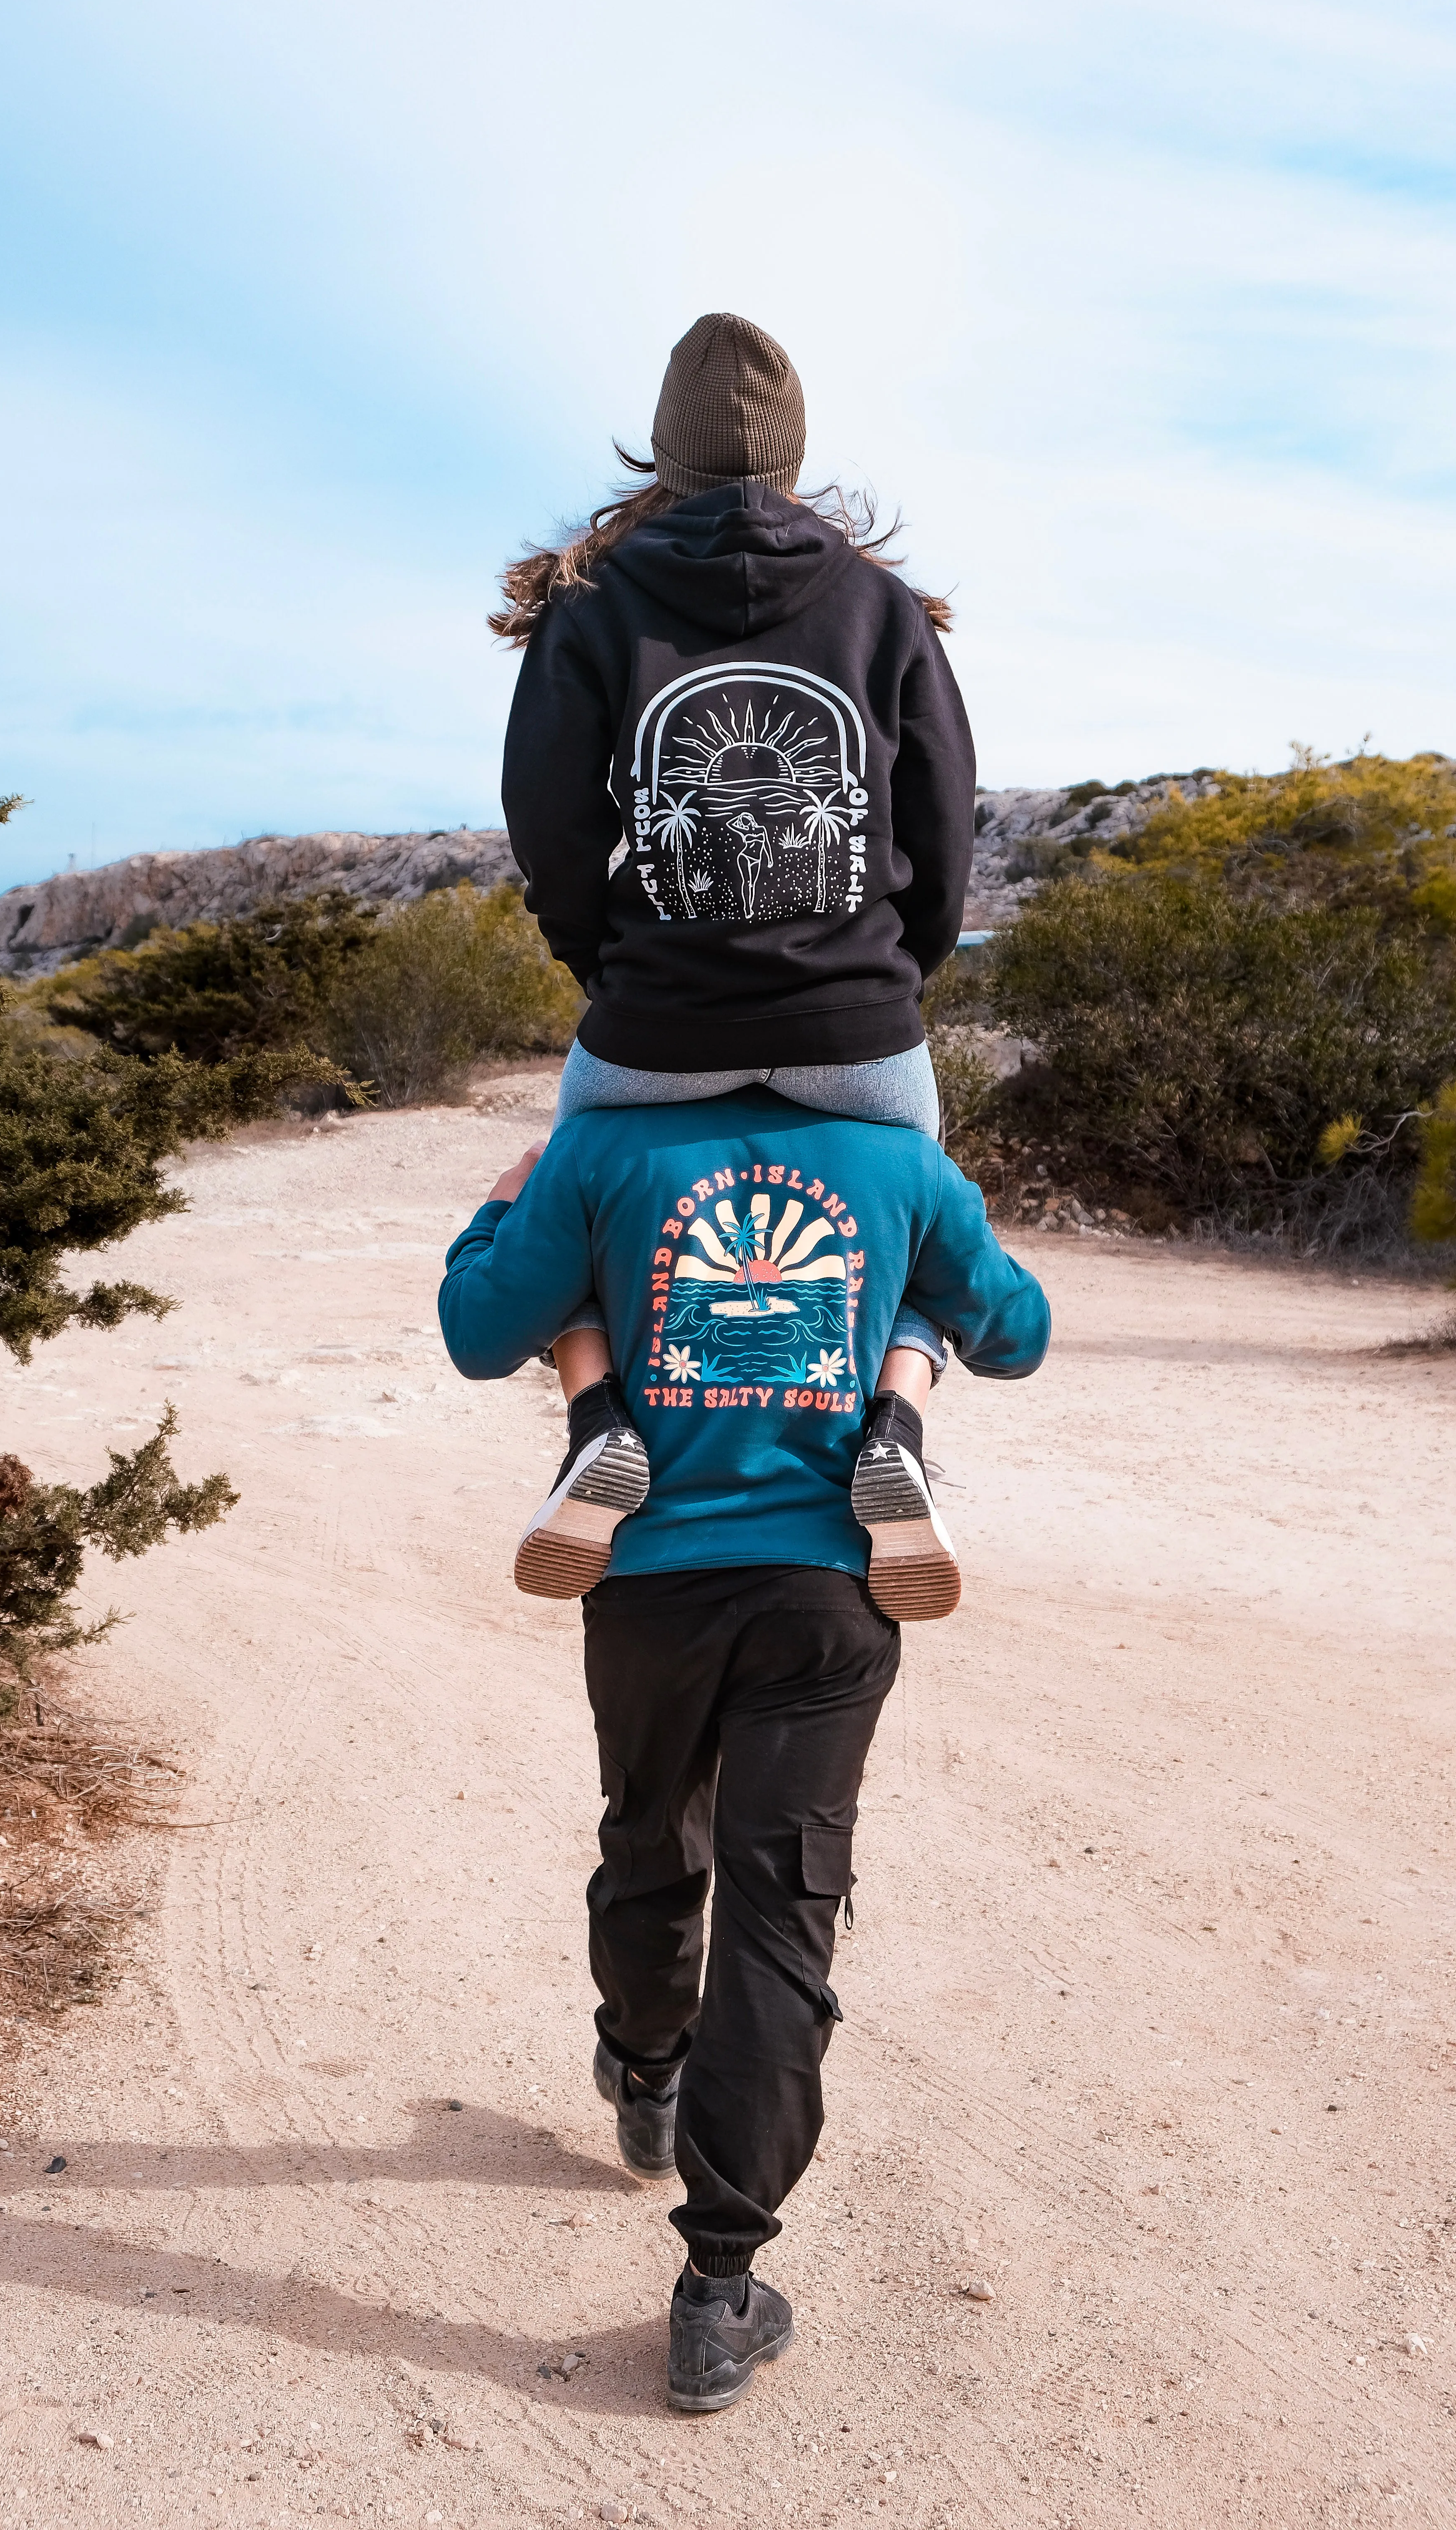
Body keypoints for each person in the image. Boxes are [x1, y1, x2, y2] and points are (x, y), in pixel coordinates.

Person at [438, 1087, 1049, 2413]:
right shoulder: (896, 1152)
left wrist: (500, 1204)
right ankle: (721, 2288)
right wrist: (934, 1250)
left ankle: (648, 2068)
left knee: (655, 1834)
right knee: (785, 1911)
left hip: (652, 1575)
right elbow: (1024, 1330)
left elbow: (479, 1332)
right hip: (831, 1585)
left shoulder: (608, 1141)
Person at [490, 311, 979, 1620]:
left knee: (565, 1218)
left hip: (653, 1028)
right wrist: (885, 978)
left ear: (661, 450)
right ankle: (896, 1426)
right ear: (797, 456)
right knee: (936, 1238)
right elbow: (944, 823)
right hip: (861, 1027)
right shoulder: (879, 607)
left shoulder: (594, 604)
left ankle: (600, 1419)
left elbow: (547, 821)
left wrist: (613, 969)